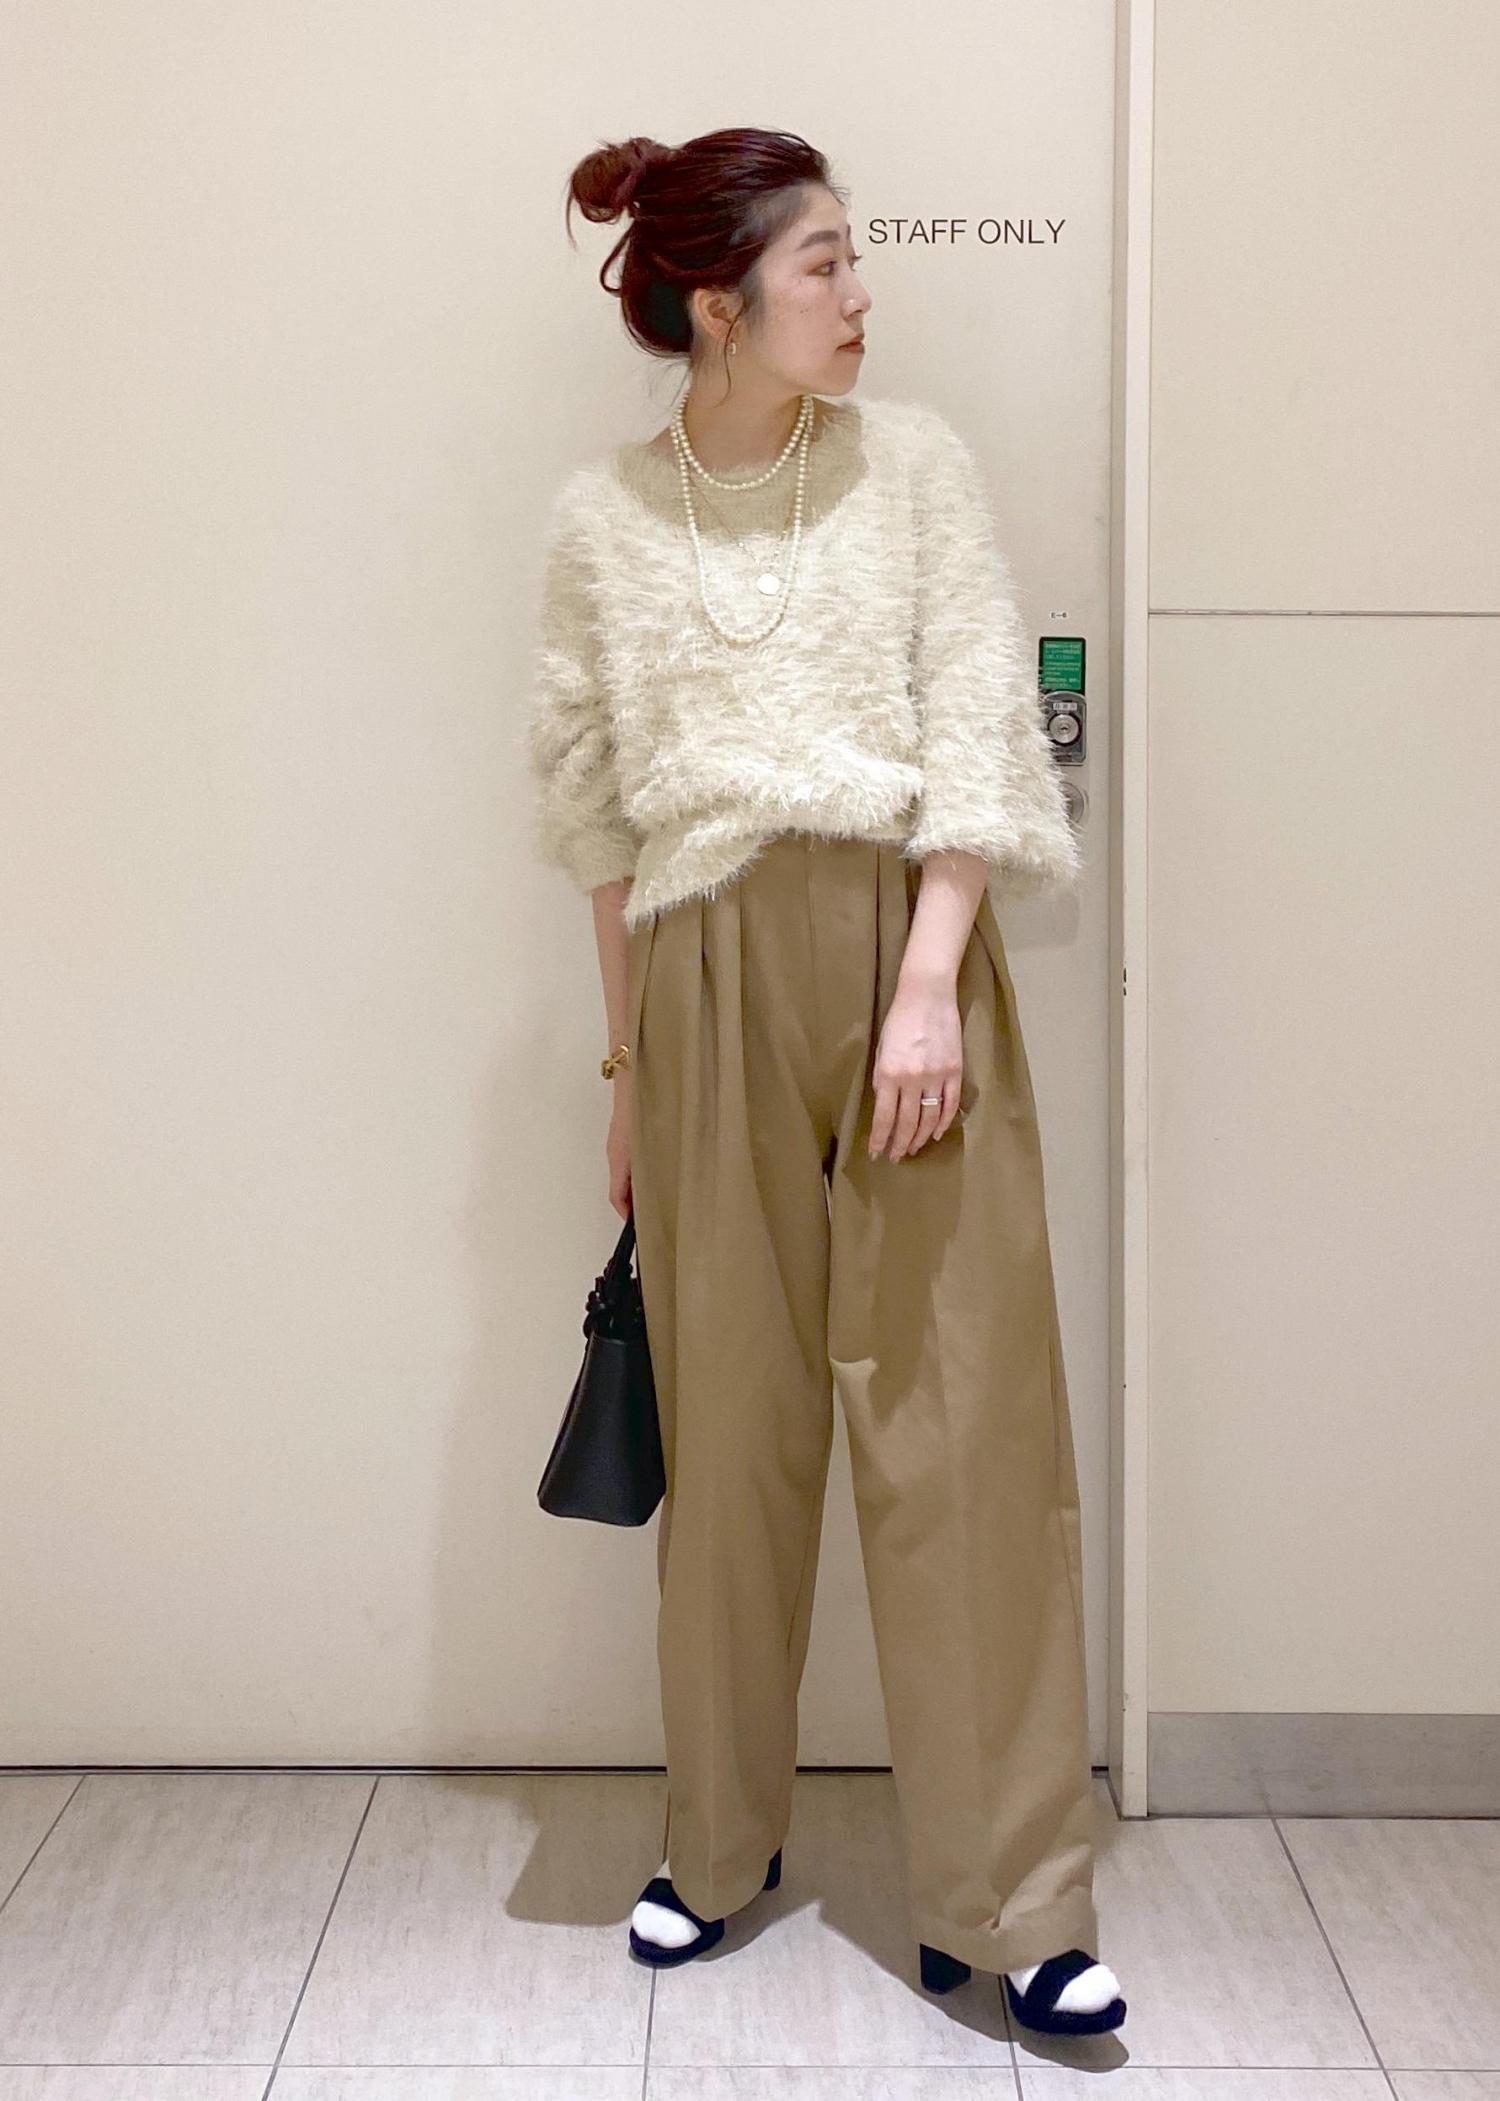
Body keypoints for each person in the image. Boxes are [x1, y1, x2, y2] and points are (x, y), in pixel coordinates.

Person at [524, 124, 1127, 2039]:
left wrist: (929, 985)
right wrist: (630, 1067)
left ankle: (1010, 1901)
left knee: (970, 1434)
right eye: (827, 265)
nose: (863, 297)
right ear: (723, 303)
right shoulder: (605, 521)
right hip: (698, 980)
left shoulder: (914, 469)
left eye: (857, 261)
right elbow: (595, 818)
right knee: (734, 1446)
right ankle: (716, 1847)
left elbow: (982, 726)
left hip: (905, 967)